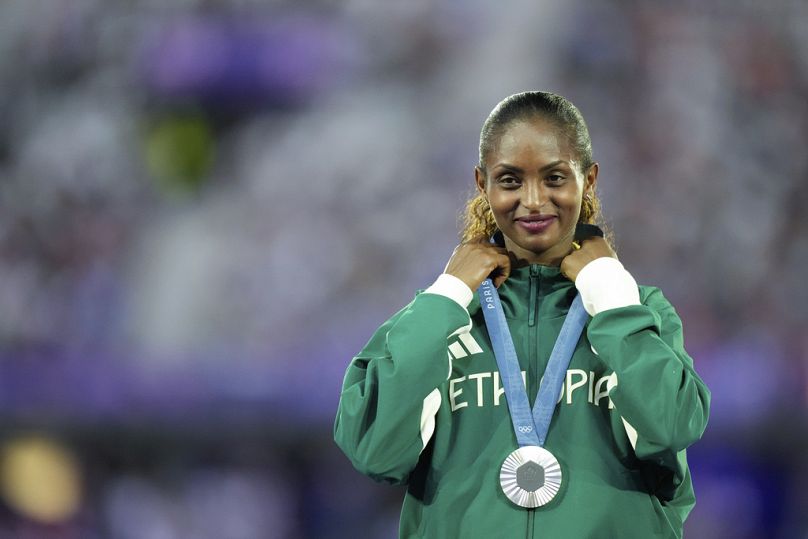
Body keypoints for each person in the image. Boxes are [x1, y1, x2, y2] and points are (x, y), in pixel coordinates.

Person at [334, 91, 710, 538]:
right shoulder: (440, 317)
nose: (533, 201)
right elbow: (375, 451)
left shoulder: (636, 310)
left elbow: (672, 426)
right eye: (510, 180)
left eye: (554, 178)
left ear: (588, 180)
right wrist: (449, 295)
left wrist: (609, 294)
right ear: (482, 184)